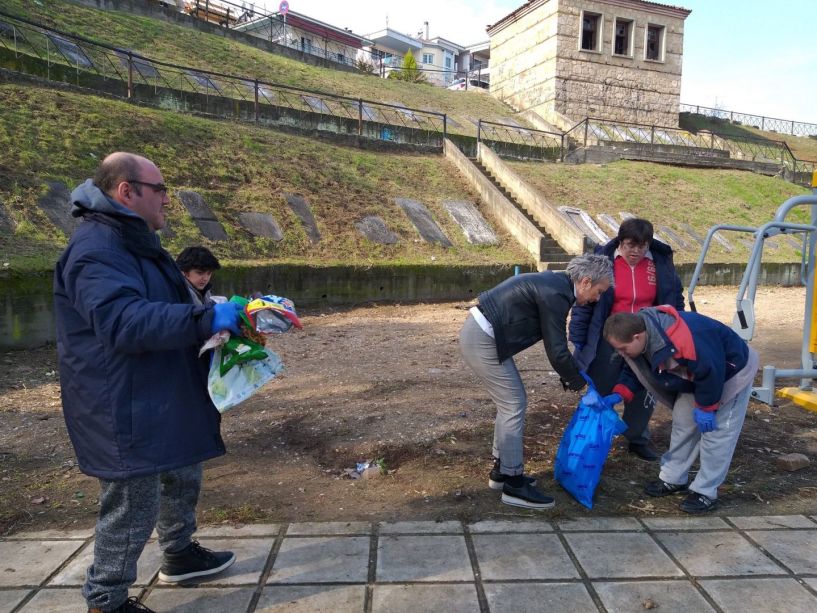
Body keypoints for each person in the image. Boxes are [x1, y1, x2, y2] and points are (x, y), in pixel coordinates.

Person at [54, 152, 245, 613]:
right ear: (127, 191)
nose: (167, 201)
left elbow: (164, 304)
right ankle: (106, 599)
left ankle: (178, 553)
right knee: (132, 502)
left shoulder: (132, 239)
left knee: (182, 469)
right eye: (159, 191)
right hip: (121, 399)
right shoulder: (97, 249)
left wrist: (218, 322)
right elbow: (123, 322)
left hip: (159, 388)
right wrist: (204, 318)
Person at [459, 254, 614, 510]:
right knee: (513, 404)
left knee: (510, 404)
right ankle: (513, 484)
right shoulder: (556, 294)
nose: (597, 298)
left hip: (483, 335)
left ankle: (502, 472)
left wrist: (574, 377)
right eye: (598, 292)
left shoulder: (557, 286)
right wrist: (580, 384)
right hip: (483, 338)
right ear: (586, 282)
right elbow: (556, 349)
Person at [603, 306, 759, 513]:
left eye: (622, 348)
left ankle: (706, 491)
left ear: (638, 336)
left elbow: (711, 371)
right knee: (683, 422)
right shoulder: (641, 339)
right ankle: (673, 478)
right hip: (697, 376)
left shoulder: (686, 338)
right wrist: (620, 393)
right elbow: (636, 369)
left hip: (731, 371)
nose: (620, 353)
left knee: (717, 434)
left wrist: (706, 407)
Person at [569, 218, 684, 461]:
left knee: (644, 387)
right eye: (631, 245)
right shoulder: (605, 261)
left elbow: (675, 298)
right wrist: (578, 338)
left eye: (643, 246)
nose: (637, 251)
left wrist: (676, 329)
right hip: (608, 338)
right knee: (602, 386)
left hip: (646, 337)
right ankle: (594, 435)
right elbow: (583, 303)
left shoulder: (660, 264)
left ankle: (637, 438)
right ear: (620, 241)